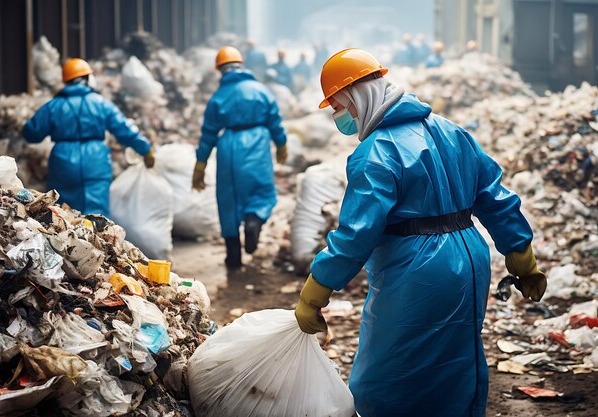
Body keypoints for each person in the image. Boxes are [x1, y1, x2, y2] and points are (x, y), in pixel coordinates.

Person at [295, 48, 547, 417]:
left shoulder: (376, 152)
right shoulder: (451, 131)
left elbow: (355, 235)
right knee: (456, 358)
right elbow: (494, 196)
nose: (340, 117)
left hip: (418, 268)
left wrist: (315, 292)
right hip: (470, 258)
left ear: (356, 97)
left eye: (339, 107)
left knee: (390, 367)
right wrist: (522, 259)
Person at [192, 46, 288, 269]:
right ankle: (254, 220)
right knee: (261, 190)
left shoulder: (219, 96)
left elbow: (208, 133)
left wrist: (201, 163)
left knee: (229, 201)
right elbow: (275, 119)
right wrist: (281, 144)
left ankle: (233, 256)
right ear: (241, 65)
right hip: (258, 143)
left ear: (220, 70)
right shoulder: (260, 90)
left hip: (228, 146)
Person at [22, 58, 154, 217]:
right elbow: (123, 129)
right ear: (87, 78)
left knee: (63, 214)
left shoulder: (53, 106)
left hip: (63, 162)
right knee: (97, 215)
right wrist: (145, 149)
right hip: (95, 161)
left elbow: (31, 133)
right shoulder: (101, 103)